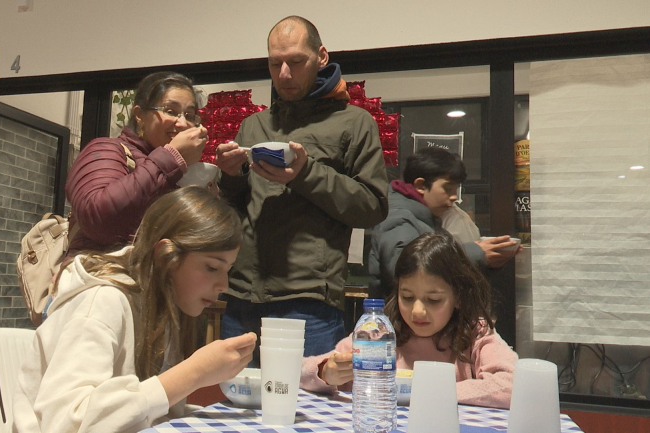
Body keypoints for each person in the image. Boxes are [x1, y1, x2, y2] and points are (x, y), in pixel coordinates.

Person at [214, 16, 389, 360]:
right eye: (274, 63)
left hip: (308, 301)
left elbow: (373, 206)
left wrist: (305, 173)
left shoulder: (354, 123)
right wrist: (230, 176)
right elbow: (234, 208)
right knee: (234, 394)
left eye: (296, 62)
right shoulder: (253, 125)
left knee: (308, 395)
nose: (283, 74)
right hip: (241, 296)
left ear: (321, 57)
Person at [13, 188, 257, 432]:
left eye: (228, 270)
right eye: (212, 267)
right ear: (165, 256)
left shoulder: (167, 304)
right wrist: (193, 373)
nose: (223, 285)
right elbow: (67, 424)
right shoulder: (101, 302)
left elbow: (150, 415)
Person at [301, 231, 518, 409]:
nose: (417, 311)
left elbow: (513, 385)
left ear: (459, 297)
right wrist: (325, 372)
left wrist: (426, 390)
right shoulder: (379, 334)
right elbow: (299, 371)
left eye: (433, 300)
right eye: (407, 297)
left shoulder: (475, 332)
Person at [64, 71, 209, 257]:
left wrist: (225, 179)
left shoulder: (180, 171)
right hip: (105, 273)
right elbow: (97, 221)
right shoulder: (106, 149)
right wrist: (171, 157)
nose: (182, 123)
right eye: (170, 111)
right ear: (139, 115)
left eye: (189, 115)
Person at [367, 146, 519, 299]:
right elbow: (405, 270)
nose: (454, 197)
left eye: (456, 189)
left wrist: (489, 261)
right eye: (447, 188)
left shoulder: (426, 218)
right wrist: (474, 253)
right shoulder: (399, 217)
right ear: (420, 186)